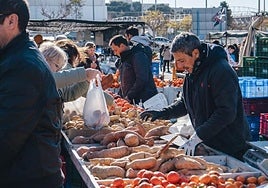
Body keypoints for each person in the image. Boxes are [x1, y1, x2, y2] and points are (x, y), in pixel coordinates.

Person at [140, 32, 251, 161]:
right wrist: (160, 114)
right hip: (210, 143)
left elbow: (226, 112)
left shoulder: (221, 70)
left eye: (182, 60)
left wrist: (198, 135)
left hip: (230, 146)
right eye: (176, 61)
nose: (179, 66)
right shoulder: (192, 71)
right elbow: (185, 103)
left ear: (196, 53)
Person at [0, 0, 64, 187]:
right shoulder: (15, 57)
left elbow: (7, 136)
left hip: (28, 179)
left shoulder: (23, 66)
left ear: (11, 21)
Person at [109, 35, 157, 104]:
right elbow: (125, 83)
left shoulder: (138, 56)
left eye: (115, 50)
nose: (115, 53)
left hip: (144, 100)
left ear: (122, 46)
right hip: (133, 101)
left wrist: (129, 96)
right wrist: (119, 96)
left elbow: (141, 79)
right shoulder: (124, 59)